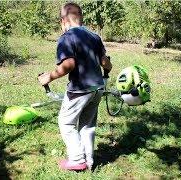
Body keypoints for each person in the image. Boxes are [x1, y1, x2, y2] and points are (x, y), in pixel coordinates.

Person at [38, 2, 112, 171]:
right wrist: (108, 68)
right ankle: (89, 161)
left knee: (66, 123)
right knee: (87, 125)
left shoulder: (67, 37)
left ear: (63, 21)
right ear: (81, 18)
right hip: (97, 88)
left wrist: (48, 77)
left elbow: (69, 65)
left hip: (80, 89)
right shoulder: (94, 36)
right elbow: (105, 63)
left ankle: (77, 159)